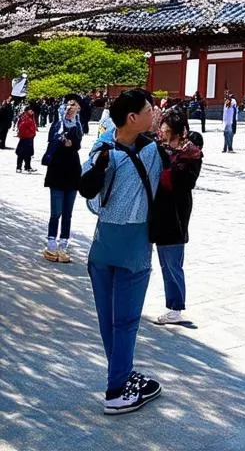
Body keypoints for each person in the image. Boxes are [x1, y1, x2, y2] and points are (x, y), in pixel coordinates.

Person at [77, 89, 164, 415]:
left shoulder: (102, 149)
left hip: (101, 246)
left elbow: (87, 189)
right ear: (133, 118)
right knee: (125, 322)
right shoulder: (154, 152)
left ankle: (124, 376)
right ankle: (116, 392)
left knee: (108, 321)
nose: (154, 114)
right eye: (149, 110)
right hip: (134, 246)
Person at [153, 108, 204, 326]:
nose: (161, 131)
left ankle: (175, 308)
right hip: (161, 212)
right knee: (166, 261)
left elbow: (175, 181)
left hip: (175, 214)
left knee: (172, 262)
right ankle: (173, 305)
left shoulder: (190, 153)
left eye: (164, 127)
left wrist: (165, 161)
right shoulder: (162, 148)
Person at [42, 95, 84, 263]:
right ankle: (51, 243)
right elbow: (51, 141)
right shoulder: (57, 124)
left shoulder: (78, 126)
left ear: (78, 109)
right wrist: (59, 138)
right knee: (56, 212)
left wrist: (71, 143)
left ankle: (63, 245)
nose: (69, 108)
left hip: (72, 172)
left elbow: (78, 144)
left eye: (73, 106)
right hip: (57, 172)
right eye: (67, 106)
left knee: (68, 213)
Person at [15, 102, 38, 173]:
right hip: (25, 138)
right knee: (21, 153)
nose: (32, 112)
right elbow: (21, 127)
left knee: (28, 153)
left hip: (30, 138)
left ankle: (27, 167)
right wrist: (29, 133)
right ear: (27, 111)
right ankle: (19, 167)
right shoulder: (24, 117)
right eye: (31, 111)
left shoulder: (31, 117)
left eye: (32, 111)